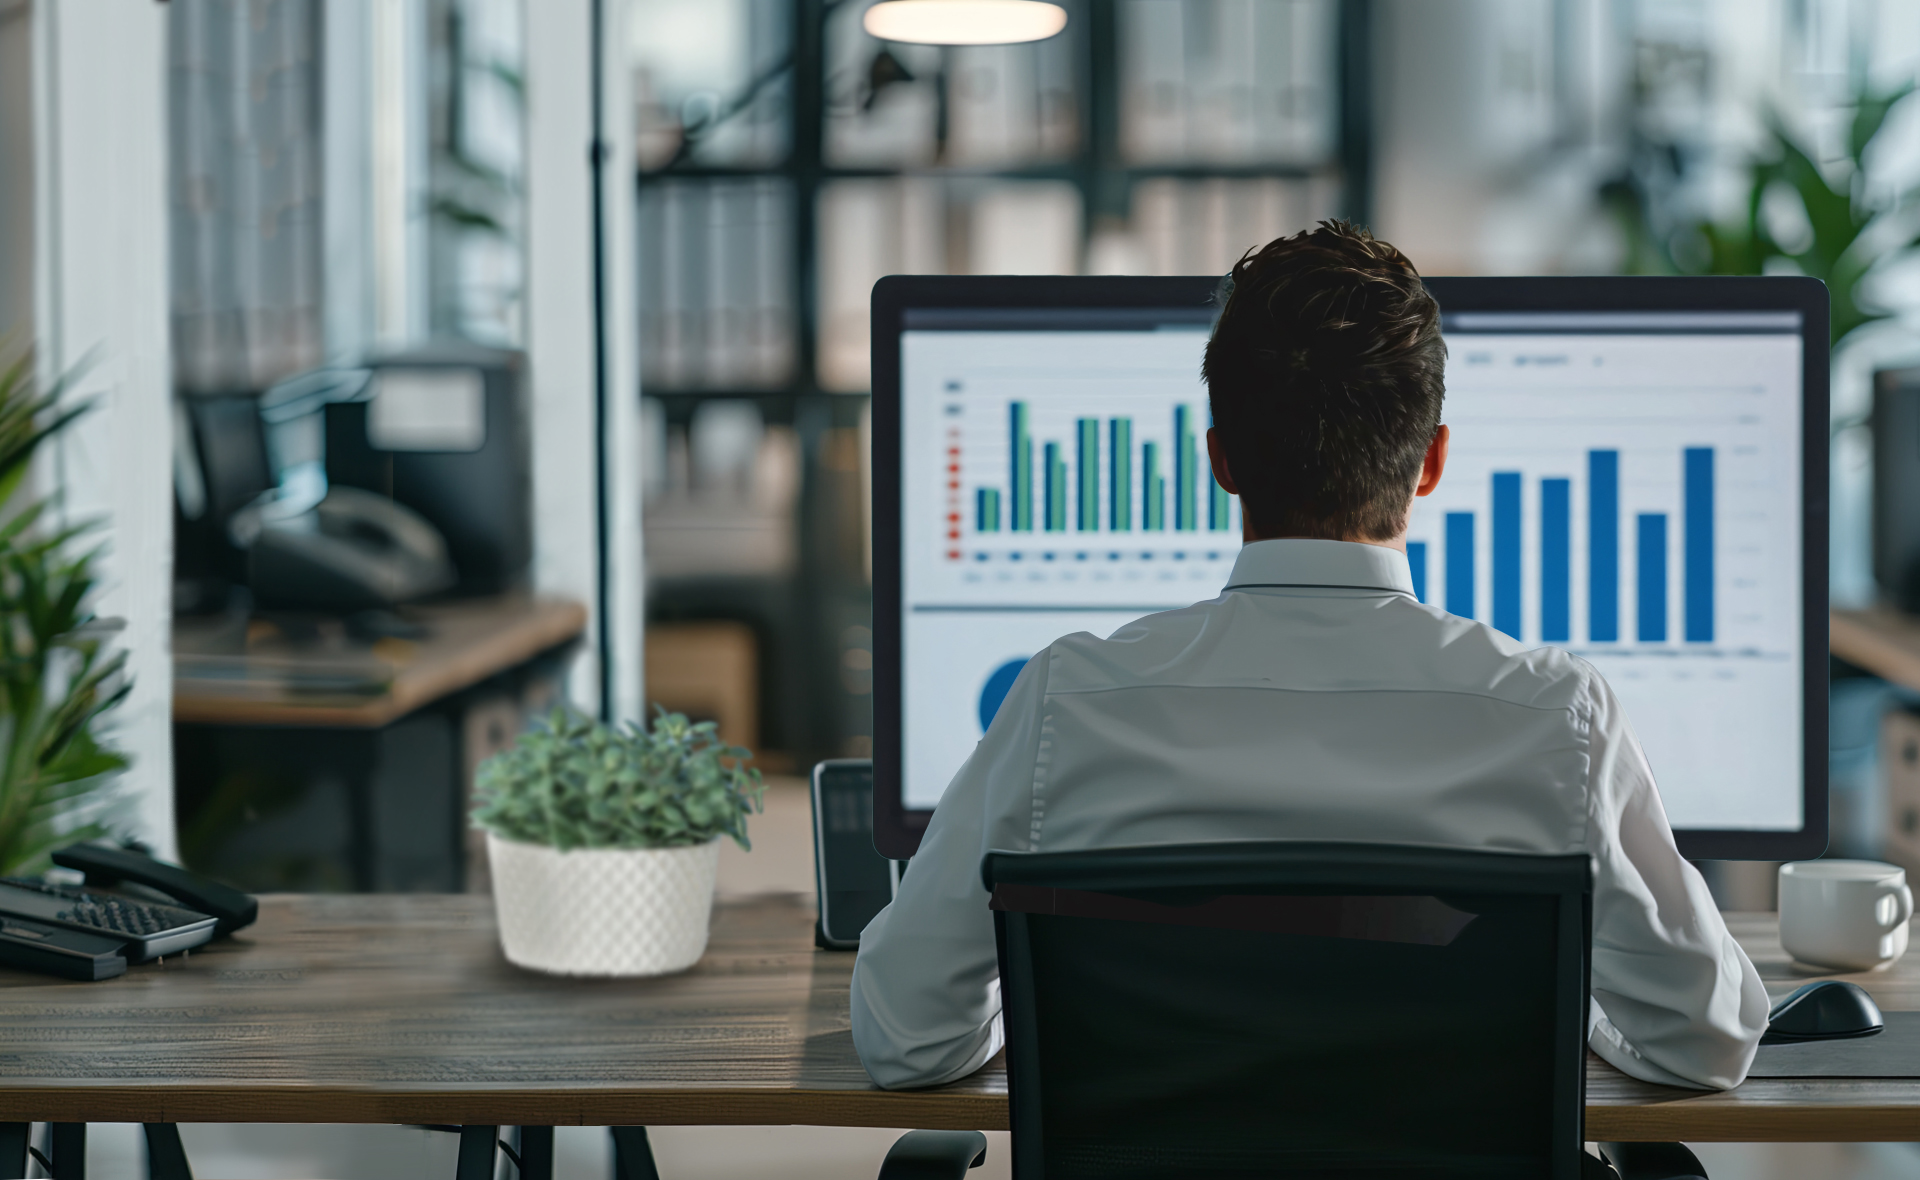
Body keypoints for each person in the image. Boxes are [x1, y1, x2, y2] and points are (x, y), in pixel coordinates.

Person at [850, 221, 1769, 1093]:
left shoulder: (1069, 701)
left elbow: (906, 1036)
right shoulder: (1557, 716)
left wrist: (1041, 998)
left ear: (1220, 461)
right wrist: (1571, 1019)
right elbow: (1706, 1038)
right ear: (1432, 462)